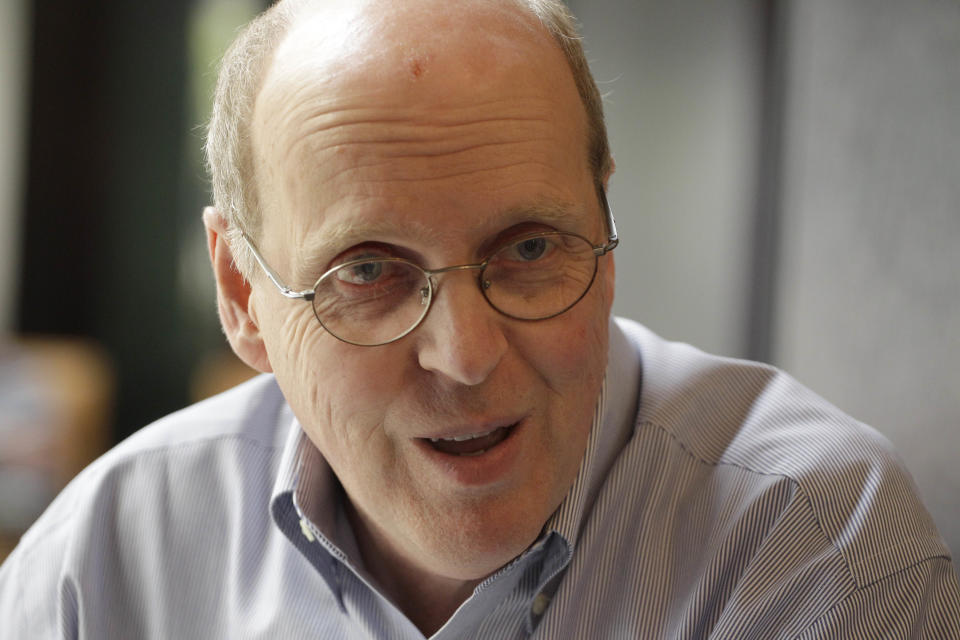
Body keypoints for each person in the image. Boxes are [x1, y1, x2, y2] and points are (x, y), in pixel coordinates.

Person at [2, 0, 959, 637]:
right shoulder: (107, 559)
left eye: (532, 248)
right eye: (369, 269)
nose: (464, 356)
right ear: (245, 297)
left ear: (606, 228)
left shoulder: (809, 545)